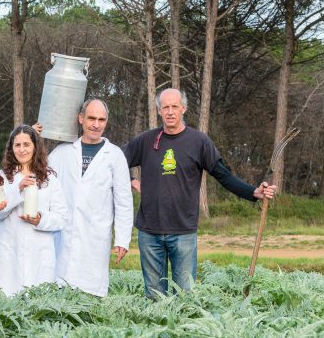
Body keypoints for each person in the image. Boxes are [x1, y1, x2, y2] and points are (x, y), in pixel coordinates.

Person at [122, 88, 277, 299]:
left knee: (185, 297)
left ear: (183, 108)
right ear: (159, 110)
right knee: (154, 297)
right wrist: (131, 179)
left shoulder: (199, 142)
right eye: (165, 107)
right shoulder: (146, 141)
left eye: (174, 106)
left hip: (183, 232)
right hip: (149, 233)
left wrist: (253, 192)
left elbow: (224, 175)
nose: (170, 111)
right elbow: (116, 161)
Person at [45, 99, 134, 297]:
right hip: (63, 233)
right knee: (59, 287)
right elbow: (43, 184)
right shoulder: (62, 152)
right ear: (80, 119)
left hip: (96, 235)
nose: (96, 124)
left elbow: (123, 202)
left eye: (101, 120)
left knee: (90, 290)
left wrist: (122, 239)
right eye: (91, 118)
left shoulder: (115, 156)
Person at [0, 125, 67, 296]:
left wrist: (40, 219)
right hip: (8, 251)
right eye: (17, 145)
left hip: (39, 251)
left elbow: (61, 218)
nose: (22, 150)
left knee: (35, 305)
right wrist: (18, 189)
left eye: (26, 145)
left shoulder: (50, 179)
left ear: (35, 147)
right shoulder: (2, 177)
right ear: (11, 148)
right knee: (5, 301)